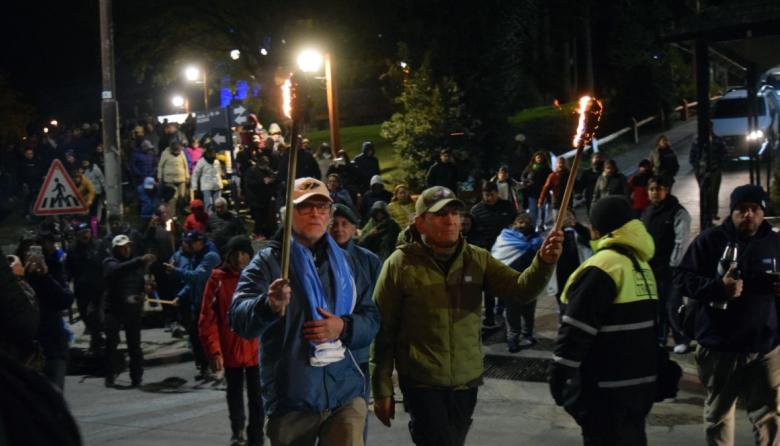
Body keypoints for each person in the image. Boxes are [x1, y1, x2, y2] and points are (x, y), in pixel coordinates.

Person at [371, 185, 563, 446]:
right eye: (440, 214)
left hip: (466, 381)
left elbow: (520, 291)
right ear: (420, 223)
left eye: (454, 213)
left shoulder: (477, 258)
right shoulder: (400, 264)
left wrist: (544, 262)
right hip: (422, 382)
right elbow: (383, 329)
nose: (450, 220)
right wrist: (382, 388)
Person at [230, 177, 379, 446]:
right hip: (292, 401)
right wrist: (268, 305)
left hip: (345, 393)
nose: (315, 213)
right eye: (305, 207)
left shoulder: (349, 263)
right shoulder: (267, 263)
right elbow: (240, 320)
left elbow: (372, 317)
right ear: (287, 215)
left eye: (322, 207)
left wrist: (344, 327)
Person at [675, 184, 780, 445]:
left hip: (765, 345)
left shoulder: (775, 242)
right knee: (719, 416)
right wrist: (718, 289)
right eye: (741, 209)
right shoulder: (709, 241)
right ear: (731, 212)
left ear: (762, 212)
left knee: (768, 415)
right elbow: (682, 279)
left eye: (754, 209)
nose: (748, 215)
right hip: (720, 346)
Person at [550, 196, 659, 445]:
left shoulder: (601, 268)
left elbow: (576, 331)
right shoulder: (641, 266)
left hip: (605, 393)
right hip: (639, 389)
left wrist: (559, 381)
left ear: (596, 229)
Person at [0, 255, 83, 446]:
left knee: (49, 410)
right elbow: (20, 319)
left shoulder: (49, 273)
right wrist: (18, 279)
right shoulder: (14, 282)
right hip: (24, 357)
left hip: (51, 350)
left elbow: (65, 299)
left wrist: (44, 276)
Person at [198, 236, 264, 446]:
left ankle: (257, 437)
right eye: (234, 253)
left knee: (258, 398)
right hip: (230, 350)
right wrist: (214, 351)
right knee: (234, 393)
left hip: (256, 350)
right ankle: (237, 431)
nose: (239, 258)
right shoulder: (217, 280)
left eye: (243, 253)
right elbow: (207, 318)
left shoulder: (258, 278)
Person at [15, 238, 74, 390]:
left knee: (54, 398)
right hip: (26, 348)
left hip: (53, 345)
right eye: (28, 252)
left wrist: (45, 277)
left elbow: (65, 300)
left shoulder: (53, 268)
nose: (32, 255)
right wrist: (22, 277)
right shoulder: (14, 276)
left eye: (36, 251)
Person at [641, 176, 691, 352]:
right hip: (651, 266)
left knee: (672, 303)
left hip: (671, 267)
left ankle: (681, 338)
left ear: (666, 190)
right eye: (652, 189)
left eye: (659, 189)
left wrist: (674, 264)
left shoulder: (677, 212)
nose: (655, 192)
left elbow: (681, 240)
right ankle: (660, 337)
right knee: (656, 304)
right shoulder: (647, 212)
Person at [164, 230, 221, 380]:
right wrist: (180, 296)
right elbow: (191, 283)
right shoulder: (197, 256)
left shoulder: (210, 256)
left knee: (209, 338)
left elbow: (197, 277)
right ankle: (204, 367)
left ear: (200, 242)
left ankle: (217, 368)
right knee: (196, 337)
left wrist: (175, 270)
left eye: (191, 243)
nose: (188, 246)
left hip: (209, 305)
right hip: (197, 303)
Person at [103, 235, 156, 387]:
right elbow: (118, 270)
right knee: (111, 343)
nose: (126, 250)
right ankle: (110, 374)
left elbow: (143, 285)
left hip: (132, 309)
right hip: (113, 309)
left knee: (135, 345)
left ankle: (136, 376)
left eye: (128, 247)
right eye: (122, 247)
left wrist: (146, 290)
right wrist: (140, 260)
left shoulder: (138, 266)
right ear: (115, 249)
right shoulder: (109, 262)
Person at [490, 213, 544, 352]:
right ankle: (512, 338)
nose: (523, 225)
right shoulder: (505, 239)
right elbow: (497, 258)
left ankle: (528, 334)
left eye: (526, 222)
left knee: (529, 312)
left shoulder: (537, 241)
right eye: (520, 222)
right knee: (512, 314)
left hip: (530, 282)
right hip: (511, 282)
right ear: (513, 224)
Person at [469, 181, 517, 328]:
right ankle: (489, 315)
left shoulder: (507, 207)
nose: (489, 197)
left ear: (497, 193)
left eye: (491, 194)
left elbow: (514, 225)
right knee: (488, 285)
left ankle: (500, 308)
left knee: (503, 282)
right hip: (485, 251)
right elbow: (472, 231)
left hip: (504, 252)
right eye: (486, 195)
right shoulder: (476, 210)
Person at [66, 222, 107, 354]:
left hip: (98, 288)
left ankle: (96, 341)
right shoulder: (72, 250)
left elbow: (107, 263)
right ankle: (97, 337)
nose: (85, 235)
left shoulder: (98, 246)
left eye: (87, 232)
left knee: (96, 315)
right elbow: (68, 269)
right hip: (81, 289)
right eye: (82, 233)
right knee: (85, 315)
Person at [553, 209, 592, 316]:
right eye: (563, 216)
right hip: (561, 271)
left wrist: (576, 225)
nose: (566, 218)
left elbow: (590, 238)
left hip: (578, 267)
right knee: (562, 294)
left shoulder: (579, 230)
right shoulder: (555, 232)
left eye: (569, 215)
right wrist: (560, 227)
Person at [690, 125, 728, 230]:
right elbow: (692, 155)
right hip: (701, 171)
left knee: (713, 192)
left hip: (714, 170)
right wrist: (696, 166)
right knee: (704, 193)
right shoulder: (697, 141)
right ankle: (706, 215)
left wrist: (720, 165)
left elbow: (724, 153)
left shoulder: (717, 141)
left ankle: (712, 213)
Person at [243, 156, 278, 240]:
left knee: (264, 216)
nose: (267, 166)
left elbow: (273, 178)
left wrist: (272, 180)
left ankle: (262, 232)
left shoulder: (267, 170)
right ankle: (256, 233)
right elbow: (250, 184)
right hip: (256, 198)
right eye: (265, 164)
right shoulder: (252, 171)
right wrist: (262, 181)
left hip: (265, 197)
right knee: (259, 217)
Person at [521, 151, 552, 232]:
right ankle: (533, 226)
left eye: (541, 157)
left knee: (543, 210)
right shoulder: (529, 167)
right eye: (538, 157)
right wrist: (527, 181)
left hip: (543, 193)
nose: (539, 159)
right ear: (534, 158)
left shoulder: (547, 169)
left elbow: (552, 178)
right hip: (532, 193)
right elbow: (523, 176)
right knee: (533, 210)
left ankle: (542, 224)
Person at [157, 140, 190, 216]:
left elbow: (186, 165)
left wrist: (187, 176)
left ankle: (181, 212)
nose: (177, 152)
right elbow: (160, 166)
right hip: (169, 179)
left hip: (181, 179)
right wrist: (160, 177)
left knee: (181, 196)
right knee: (173, 198)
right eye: (176, 150)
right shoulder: (165, 153)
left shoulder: (182, 153)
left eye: (178, 150)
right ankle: (172, 215)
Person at [538, 156, 571, 225]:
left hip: (568, 203)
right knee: (558, 224)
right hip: (557, 203)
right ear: (556, 164)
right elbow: (545, 188)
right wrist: (541, 201)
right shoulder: (552, 176)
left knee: (570, 223)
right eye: (559, 163)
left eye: (563, 163)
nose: (561, 165)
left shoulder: (570, 175)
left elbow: (577, 185)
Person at [192, 148, 224, 212]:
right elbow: (195, 175)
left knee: (215, 205)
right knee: (209, 205)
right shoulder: (202, 162)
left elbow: (219, 173)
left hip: (216, 186)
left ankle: (216, 219)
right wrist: (194, 187)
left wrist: (194, 188)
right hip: (208, 187)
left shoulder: (216, 161)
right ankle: (211, 219)